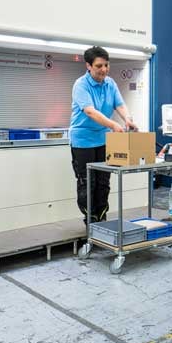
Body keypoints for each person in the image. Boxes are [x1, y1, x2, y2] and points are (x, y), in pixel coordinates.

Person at [70, 46, 138, 224]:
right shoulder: (81, 85)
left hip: (103, 139)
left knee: (103, 182)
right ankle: (90, 221)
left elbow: (120, 104)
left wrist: (127, 119)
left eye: (106, 65)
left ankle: (102, 218)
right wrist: (114, 124)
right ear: (88, 66)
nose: (104, 70)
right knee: (87, 183)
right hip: (83, 141)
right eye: (99, 66)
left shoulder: (110, 83)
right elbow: (90, 112)